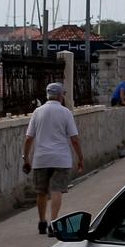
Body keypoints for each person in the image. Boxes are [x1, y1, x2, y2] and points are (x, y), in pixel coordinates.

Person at [24, 82, 84, 235]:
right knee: (56, 190)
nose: (63, 96)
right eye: (63, 94)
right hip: (60, 159)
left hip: (41, 158)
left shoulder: (37, 112)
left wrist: (26, 158)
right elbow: (74, 139)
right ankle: (54, 224)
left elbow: (29, 138)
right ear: (59, 96)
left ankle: (42, 223)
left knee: (41, 192)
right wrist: (80, 158)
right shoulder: (66, 113)